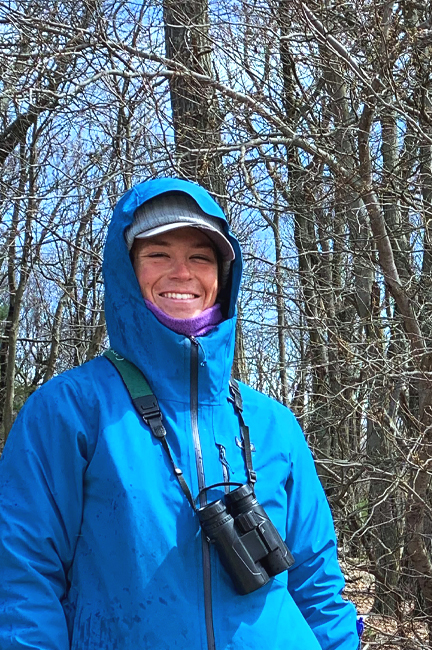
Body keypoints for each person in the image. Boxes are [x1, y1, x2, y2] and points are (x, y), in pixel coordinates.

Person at [0, 178, 359, 649]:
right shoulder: (70, 410)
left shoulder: (272, 424)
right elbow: (24, 579)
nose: (181, 272)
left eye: (201, 257)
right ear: (126, 270)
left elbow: (318, 585)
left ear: (223, 277)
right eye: (158, 254)